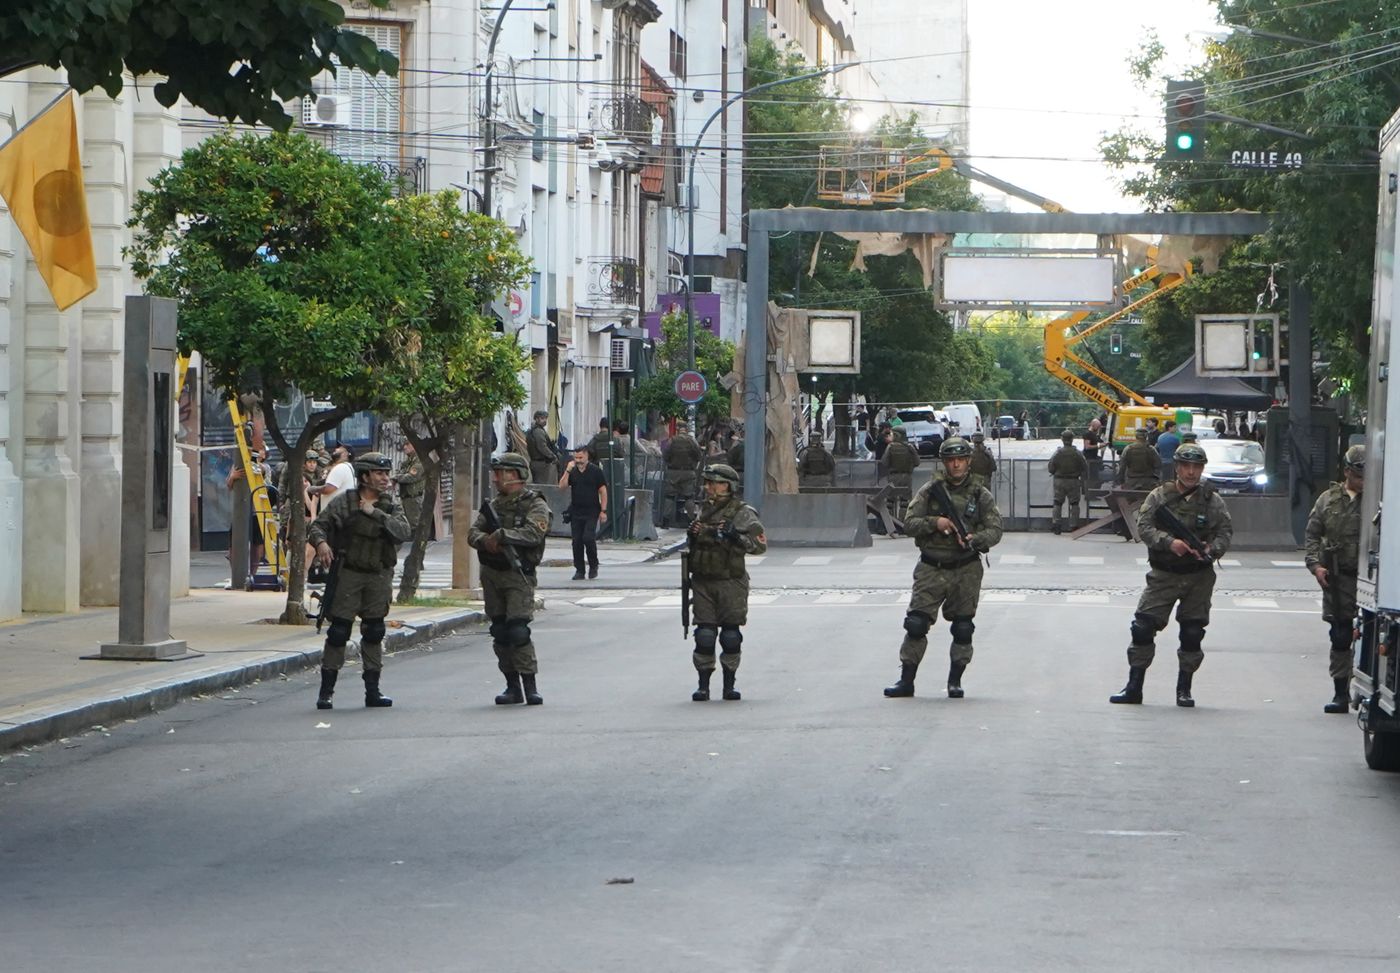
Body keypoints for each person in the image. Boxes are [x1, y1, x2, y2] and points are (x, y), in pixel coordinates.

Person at [1110, 442, 1233, 708]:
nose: (1191, 472)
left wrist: (1213, 549)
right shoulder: (1159, 496)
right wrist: (1169, 543)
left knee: (1192, 632)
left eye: (1196, 467)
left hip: (1198, 575)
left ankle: (1184, 689)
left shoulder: (1212, 500)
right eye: (1186, 466)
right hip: (1164, 573)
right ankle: (1134, 687)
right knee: (1142, 627)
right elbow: (1144, 526)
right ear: (1176, 467)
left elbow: (1225, 531)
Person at [883, 437, 1004, 699]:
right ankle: (906, 681)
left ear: (969, 461)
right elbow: (909, 523)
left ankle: (955, 681)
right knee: (916, 624)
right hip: (932, 567)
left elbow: (995, 530)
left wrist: (975, 539)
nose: (956, 465)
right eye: (951, 460)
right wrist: (935, 522)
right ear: (945, 462)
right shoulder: (930, 490)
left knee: (963, 627)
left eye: (961, 459)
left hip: (966, 568)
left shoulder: (980, 494)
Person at [308, 452, 411, 710]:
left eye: (386, 474)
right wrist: (321, 544)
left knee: (374, 630)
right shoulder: (345, 502)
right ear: (365, 476)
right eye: (379, 473)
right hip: (348, 574)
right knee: (338, 631)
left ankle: (373, 691)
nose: (385, 478)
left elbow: (403, 532)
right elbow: (318, 526)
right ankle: (326, 692)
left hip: (378, 575)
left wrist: (374, 513)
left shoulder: (389, 505)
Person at [469, 453, 553, 706]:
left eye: (501, 473)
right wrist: (487, 541)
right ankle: (512, 685)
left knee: (518, 630)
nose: (496, 478)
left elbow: (533, 533)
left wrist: (502, 535)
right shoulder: (493, 506)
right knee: (500, 631)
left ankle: (530, 685)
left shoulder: (534, 504)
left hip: (518, 575)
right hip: (492, 574)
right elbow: (472, 533)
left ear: (515, 475)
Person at [686, 463, 767, 702]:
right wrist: (693, 535)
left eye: (714, 483)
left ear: (727, 486)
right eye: (707, 483)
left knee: (730, 635)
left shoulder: (742, 512)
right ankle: (703, 686)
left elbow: (759, 545)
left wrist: (735, 536)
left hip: (731, 582)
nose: (708, 487)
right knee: (704, 635)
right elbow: (694, 545)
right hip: (704, 580)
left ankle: (729, 685)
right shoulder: (703, 510)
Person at [1305, 445, 1365, 714]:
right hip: (1338, 578)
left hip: (1368, 577)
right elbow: (1312, 534)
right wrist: (1316, 565)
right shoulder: (1328, 499)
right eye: (1357, 475)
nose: (1362, 482)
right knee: (1340, 635)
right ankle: (1340, 693)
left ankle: (1365, 689)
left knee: (1373, 636)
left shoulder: (1379, 498)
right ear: (1347, 472)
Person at [559, 446, 608, 580]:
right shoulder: (572, 472)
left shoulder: (595, 471)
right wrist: (567, 470)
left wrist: (603, 511)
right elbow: (561, 486)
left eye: (581, 457)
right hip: (576, 511)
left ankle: (593, 565)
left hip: (592, 510)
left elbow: (603, 491)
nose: (578, 460)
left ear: (587, 456)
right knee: (577, 542)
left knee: (588, 538)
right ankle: (579, 569)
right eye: (576, 458)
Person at [1047, 429, 1088, 534]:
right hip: (1073, 481)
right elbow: (1085, 467)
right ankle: (1073, 525)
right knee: (1074, 504)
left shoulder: (1058, 453)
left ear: (1062, 439)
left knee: (1057, 503)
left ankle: (1056, 525)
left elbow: (1051, 467)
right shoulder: (1077, 453)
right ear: (1072, 439)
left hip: (1059, 481)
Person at [662, 426, 704, 525]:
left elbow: (665, 454)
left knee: (670, 497)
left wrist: (669, 463)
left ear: (678, 431)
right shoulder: (692, 441)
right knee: (689, 497)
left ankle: (665, 521)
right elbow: (698, 455)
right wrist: (693, 464)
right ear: (686, 431)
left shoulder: (672, 440)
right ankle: (691, 520)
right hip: (688, 472)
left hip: (673, 472)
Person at [879, 426, 921, 522]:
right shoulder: (909, 447)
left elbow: (884, 462)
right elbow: (917, 462)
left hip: (893, 477)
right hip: (906, 477)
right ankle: (902, 524)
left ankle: (889, 524)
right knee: (904, 502)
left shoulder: (890, 447)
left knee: (889, 502)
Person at [394, 440, 427, 532]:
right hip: (405, 497)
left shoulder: (419, 460)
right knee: (407, 524)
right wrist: (397, 477)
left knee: (415, 525)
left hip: (414, 498)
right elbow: (400, 473)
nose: (404, 447)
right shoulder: (408, 462)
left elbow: (411, 477)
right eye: (404, 444)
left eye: (408, 444)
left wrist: (396, 478)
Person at [526, 410, 558, 484]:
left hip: (538, 463)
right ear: (537, 419)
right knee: (544, 487)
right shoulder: (538, 431)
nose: (545, 420)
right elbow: (542, 447)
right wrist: (553, 456)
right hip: (541, 463)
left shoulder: (536, 430)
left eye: (546, 418)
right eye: (542, 418)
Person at [1083, 418, 1105, 484]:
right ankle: (1088, 488)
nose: (1098, 428)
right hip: (1089, 458)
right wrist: (1099, 446)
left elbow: (1099, 441)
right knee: (1090, 476)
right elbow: (1087, 446)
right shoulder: (1088, 434)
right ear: (1093, 425)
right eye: (1098, 427)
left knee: (1095, 475)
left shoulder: (1094, 434)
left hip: (1094, 457)